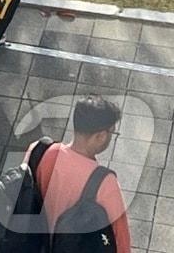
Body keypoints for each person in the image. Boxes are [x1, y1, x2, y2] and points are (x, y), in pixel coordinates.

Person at [24, 97, 130, 253]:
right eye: (112, 132)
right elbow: (121, 240)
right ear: (100, 136)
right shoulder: (105, 183)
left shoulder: (39, 151)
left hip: (35, 245)